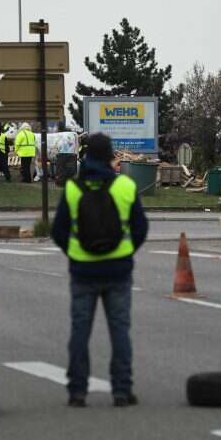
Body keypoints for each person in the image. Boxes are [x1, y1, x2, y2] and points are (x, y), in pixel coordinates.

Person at [52, 133, 148, 408]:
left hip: (83, 272)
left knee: (80, 330)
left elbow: (58, 231)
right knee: (120, 331)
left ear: (85, 155)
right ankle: (121, 390)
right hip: (118, 271)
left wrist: (74, 254)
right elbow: (141, 228)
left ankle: (78, 391)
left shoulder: (72, 189)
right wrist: (126, 252)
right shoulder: (126, 187)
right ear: (110, 157)